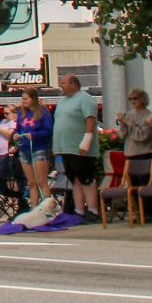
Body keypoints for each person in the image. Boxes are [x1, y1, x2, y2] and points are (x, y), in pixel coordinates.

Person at [49, 74, 100, 218]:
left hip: (80, 149)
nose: (61, 85)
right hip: (65, 148)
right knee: (74, 180)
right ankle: (79, 210)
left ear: (74, 84)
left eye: (64, 83)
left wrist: (86, 140)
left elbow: (90, 119)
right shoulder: (63, 101)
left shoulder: (85, 99)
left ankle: (93, 210)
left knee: (86, 179)